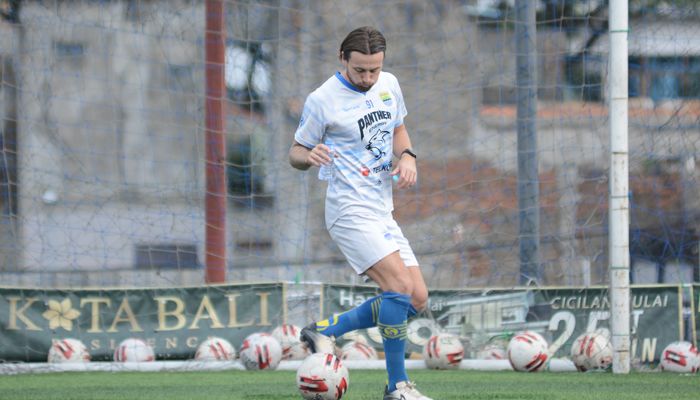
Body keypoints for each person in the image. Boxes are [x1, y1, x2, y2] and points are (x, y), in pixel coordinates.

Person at [288, 26, 432, 400]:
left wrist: (408, 156)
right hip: (349, 210)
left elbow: (399, 129)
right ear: (343, 60)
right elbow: (295, 153)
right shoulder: (322, 99)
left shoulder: (389, 84)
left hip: (382, 211)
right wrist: (310, 155)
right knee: (397, 288)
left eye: (374, 70)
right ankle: (397, 387)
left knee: (416, 299)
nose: (368, 78)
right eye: (360, 71)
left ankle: (324, 331)